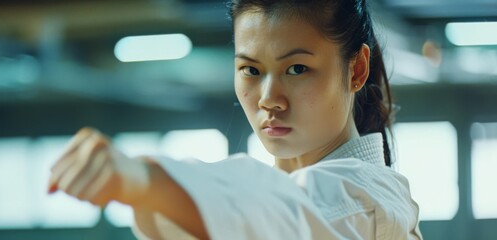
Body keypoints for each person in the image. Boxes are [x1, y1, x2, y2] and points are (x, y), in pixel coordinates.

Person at [48, 0, 423, 239]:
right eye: (251, 70)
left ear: (356, 69)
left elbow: (289, 212)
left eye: (297, 68)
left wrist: (143, 178)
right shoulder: (261, 201)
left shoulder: (369, 202)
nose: (268, 99)